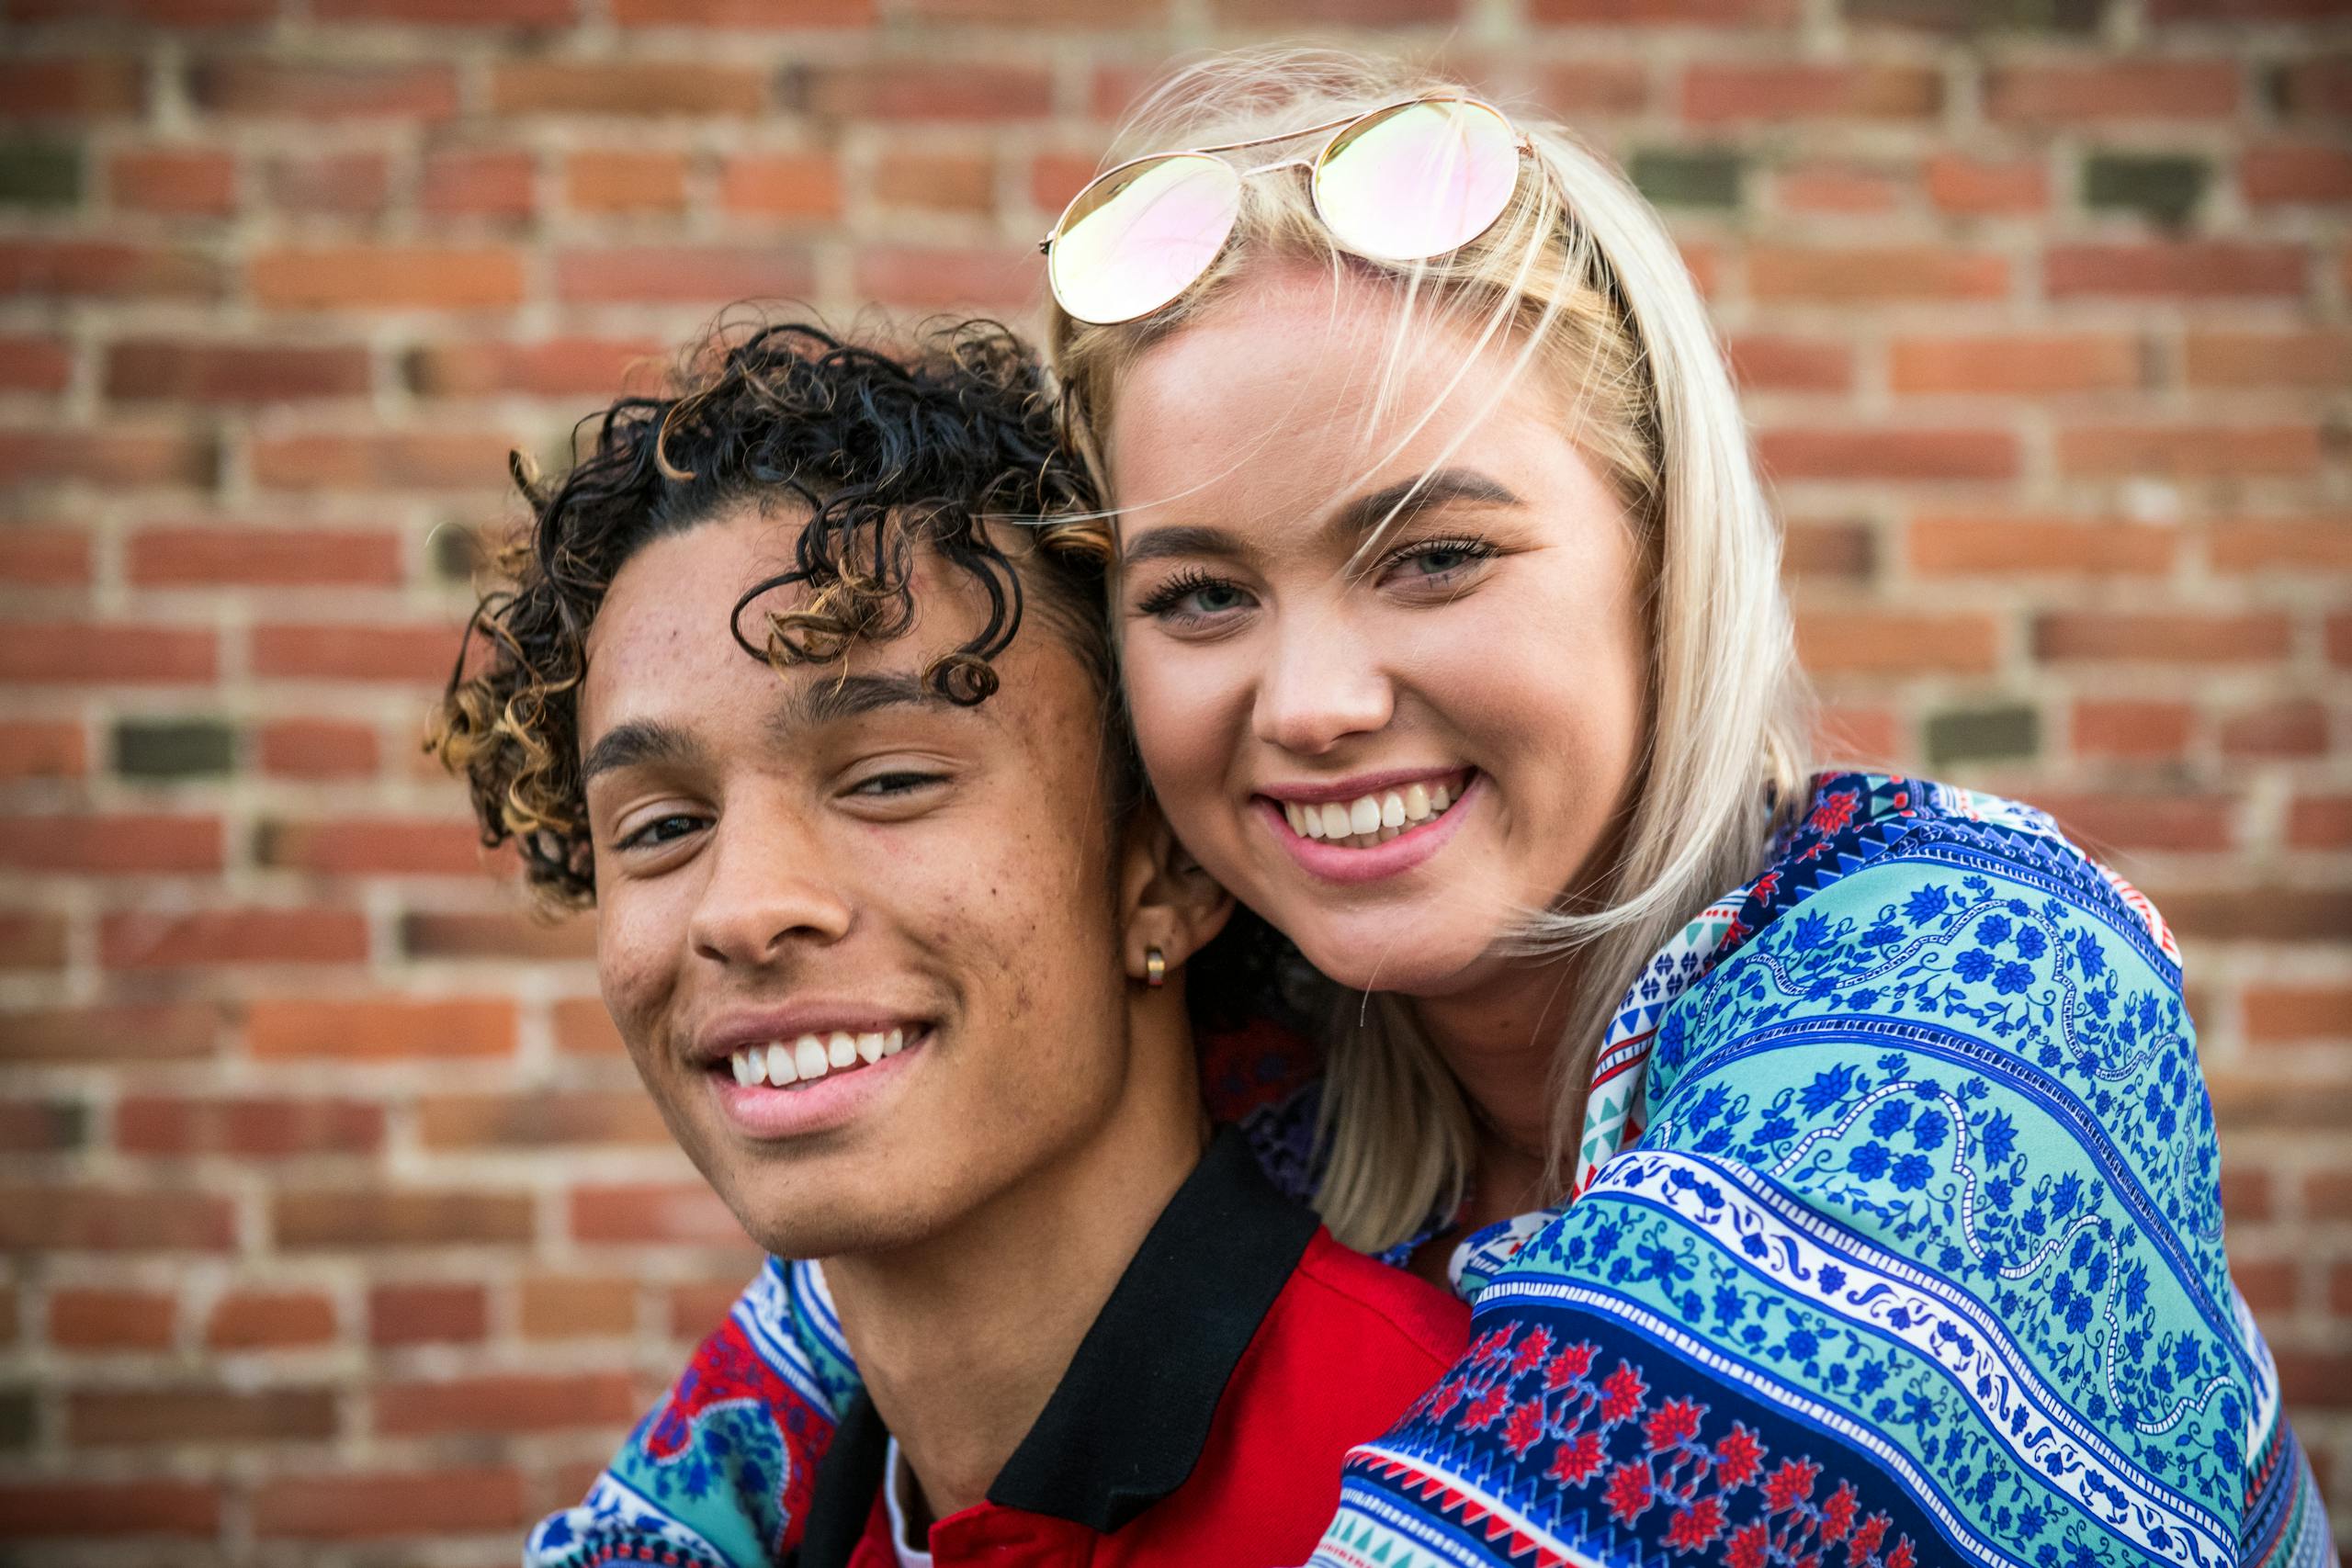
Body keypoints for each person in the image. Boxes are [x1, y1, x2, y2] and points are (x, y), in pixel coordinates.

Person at [513, 47, 2335, 1568]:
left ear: (1659, 558)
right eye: (1200, 594)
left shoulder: (1957, 972)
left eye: (1435, 555)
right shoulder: (1272, 1063)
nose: (1308, 704)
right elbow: (712, 1474)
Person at [428, 320, 1467, 1567]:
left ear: (1167, 874)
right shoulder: (777, 1514)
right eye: (661, 826)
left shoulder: (1448, 1474)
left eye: (890, 781)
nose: (741, 909)